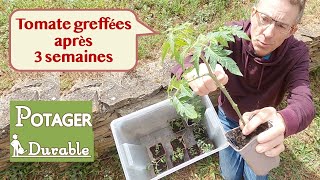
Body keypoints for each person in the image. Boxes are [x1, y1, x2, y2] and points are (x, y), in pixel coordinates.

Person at [184, 0, 315, 179]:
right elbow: (191, 58)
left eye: (281, 25)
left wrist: (284, 121)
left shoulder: (296, 54)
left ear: (292, 30)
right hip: (228, 118)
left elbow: (304, 103)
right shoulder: (230, 35)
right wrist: (194, 71)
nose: (268, 33)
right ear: (253, 13)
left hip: (262, 126)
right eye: (264, 18)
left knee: (257, 175)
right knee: (230, 175)